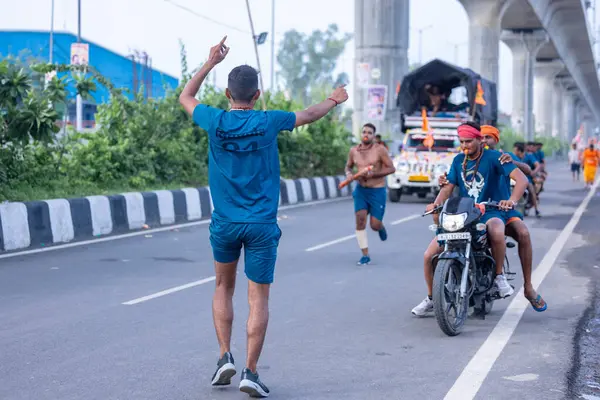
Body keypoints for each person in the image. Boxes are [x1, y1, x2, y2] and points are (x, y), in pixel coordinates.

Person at [178, 36, 349, 398]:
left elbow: (185, 97)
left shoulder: (215, 120)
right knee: (259, 299)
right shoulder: (270, 120)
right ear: (256, 95)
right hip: (260, 225)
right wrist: (334, 99)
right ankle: (250, 372)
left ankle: (224, 355)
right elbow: (309, 114)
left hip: (224, 223)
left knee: (223, 287)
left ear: (228, 93)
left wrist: (210, 62)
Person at [411, 122, 531, 316]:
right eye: (462, 142)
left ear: (479, 140)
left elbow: (522, 179)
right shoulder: (459, 160)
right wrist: (435, 203)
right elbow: (448, 187)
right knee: (428, 255)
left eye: (468, 141)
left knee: (497, 230)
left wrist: (511, 200)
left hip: (491, 210)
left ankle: (499, 277)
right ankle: (432, 298)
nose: (465, 145)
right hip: (465, 213)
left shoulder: (495, 157)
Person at [345, 123, 396, 265]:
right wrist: (349, 174)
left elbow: (391, 168)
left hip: (377, 190)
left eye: (369, 132)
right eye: (364, 132)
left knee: (374, 224)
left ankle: (380, 227)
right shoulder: (354, 151)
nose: (366, 134)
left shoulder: (380, 150)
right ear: (361, 134)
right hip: (361, 190)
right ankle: (365, 254)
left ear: (374, 135)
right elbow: (348, 166)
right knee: (360, 219)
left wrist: (374, 174)